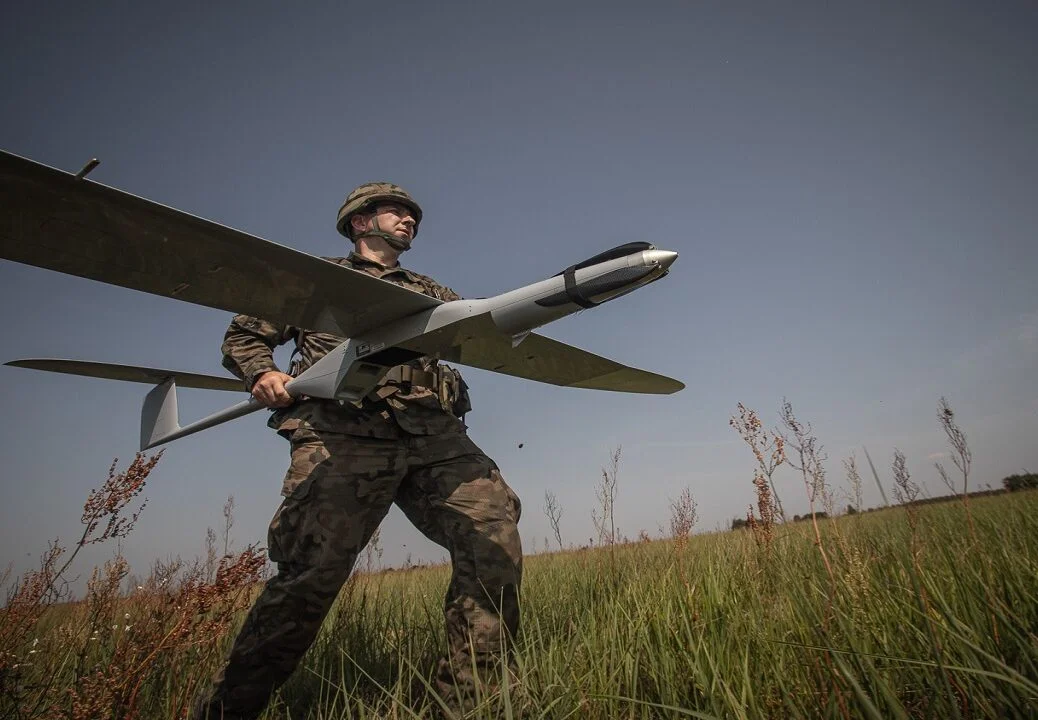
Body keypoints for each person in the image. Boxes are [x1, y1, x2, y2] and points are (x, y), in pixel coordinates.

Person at [191, 183, 523, 719]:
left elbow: (469, 336)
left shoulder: (428, 288)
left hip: (431, 435)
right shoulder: (314, 281)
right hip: (342, 433)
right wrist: (263, 373)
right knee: (309, 578)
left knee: (493, 535)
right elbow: (244, 337)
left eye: (413, 215)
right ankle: (228, 710)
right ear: (359, 221)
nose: (410, 219)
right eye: (397, 212)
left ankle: (470, 704)